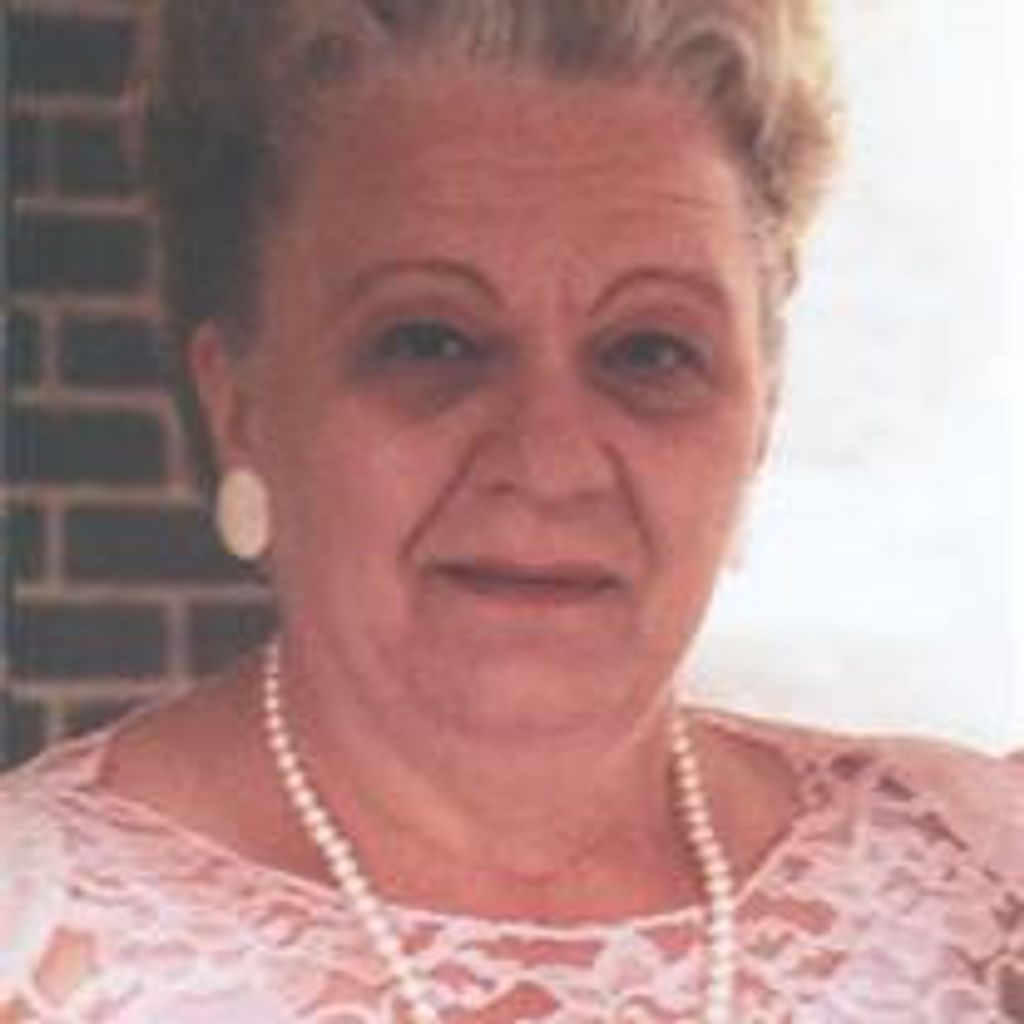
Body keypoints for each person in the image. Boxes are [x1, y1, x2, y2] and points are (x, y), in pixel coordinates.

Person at [1, 1, 1021, 1021]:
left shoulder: (978, 894)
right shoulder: (36, 942)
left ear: (762, 415)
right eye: (430, 342)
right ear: (240, 404)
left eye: (650, 351)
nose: (550, 462)